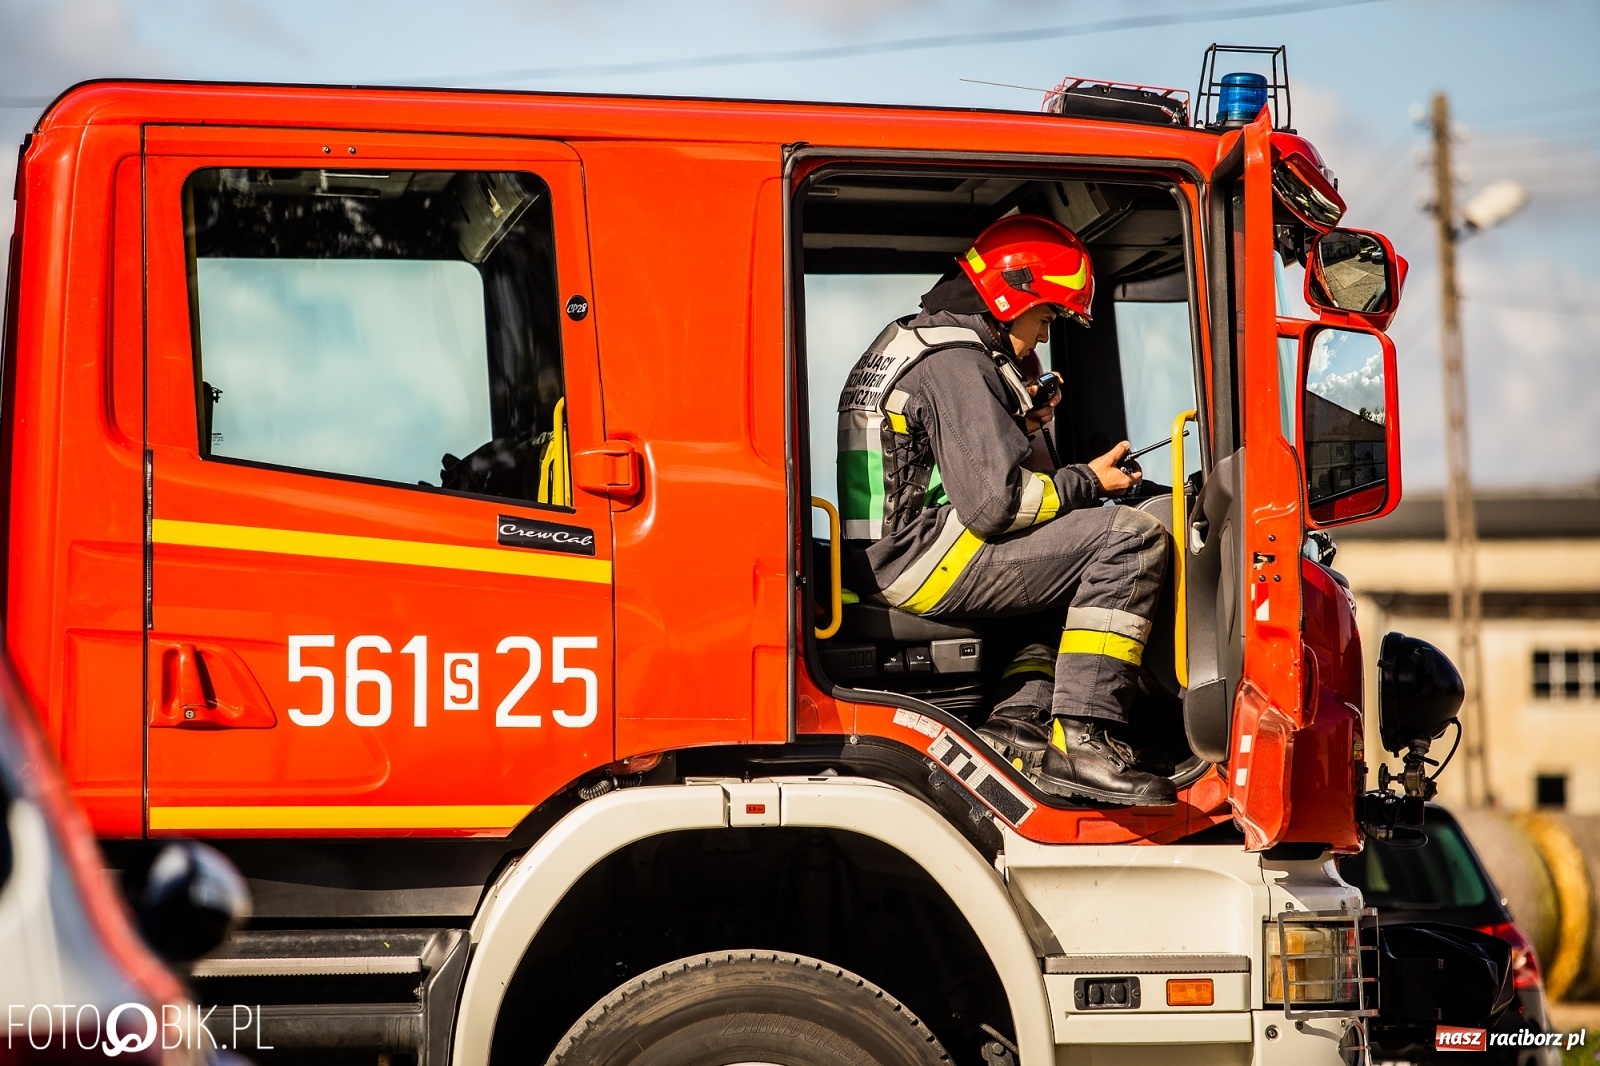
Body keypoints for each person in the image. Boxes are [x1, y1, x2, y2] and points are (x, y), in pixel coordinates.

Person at [835, 214, 1177, 806]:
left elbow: (938, 471)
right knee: (1131, 536)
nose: (1043, 338)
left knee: (1067, 552)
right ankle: (1082, 742)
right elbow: (998, 504)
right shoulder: (959, 363)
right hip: (922, 561)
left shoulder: (918, 340)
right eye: (1044, 318)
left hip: (894, 555)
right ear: (1008, 296)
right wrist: (1087, 482)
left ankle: (1019, 725)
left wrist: (1022, 425)